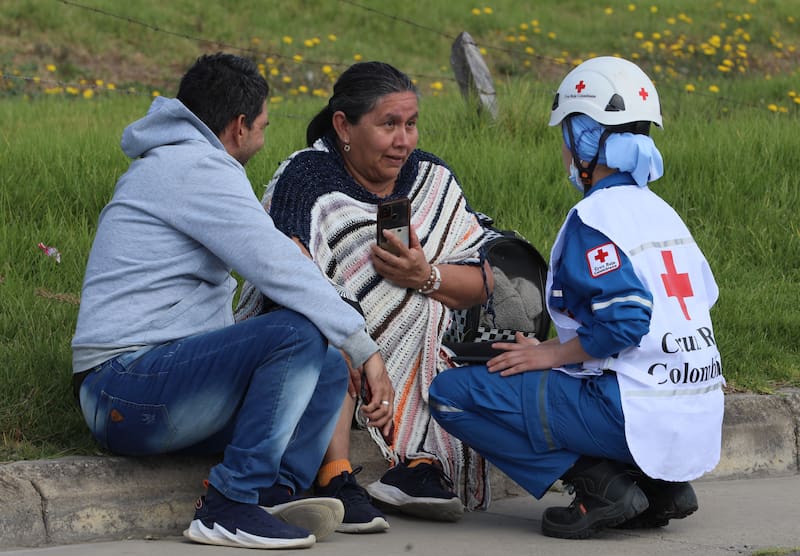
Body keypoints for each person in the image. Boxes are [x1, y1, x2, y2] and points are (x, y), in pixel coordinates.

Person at [71, 52, 394, 550]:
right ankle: (230, 503)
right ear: (239, 127)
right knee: (298, 331)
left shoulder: (185, 163)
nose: (264, 139)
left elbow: (274, 261)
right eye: (264, 126)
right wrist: (365, 348)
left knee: (328, 363)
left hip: (156, 385)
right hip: (121, 390)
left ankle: (270, 495)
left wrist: (346, 348)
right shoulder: (196, 167)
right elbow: (276, 267)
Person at [428, 56, 725, 540]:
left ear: (585, 140)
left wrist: (549, 353)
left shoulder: (595, 220)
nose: (564, 151)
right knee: (575, 374)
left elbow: (625, 321)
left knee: (452, 395)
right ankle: (658, 484)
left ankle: (601, 485)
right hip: (695, 409)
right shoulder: (663, 213)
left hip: (632, 408)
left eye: (566, 136)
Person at [235, 61, 493, 531]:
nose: (404, 140)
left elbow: (482, 280)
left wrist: (427, 274)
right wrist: (353, 335)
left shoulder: (431, 178)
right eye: (388, 124)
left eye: (410, 124)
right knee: (327, 316)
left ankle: (418, 460)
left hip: (408, 354)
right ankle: (334, 472)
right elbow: (286, 273)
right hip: (328, 351)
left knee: (426, 309)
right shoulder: (309, 177)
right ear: (343, 126)